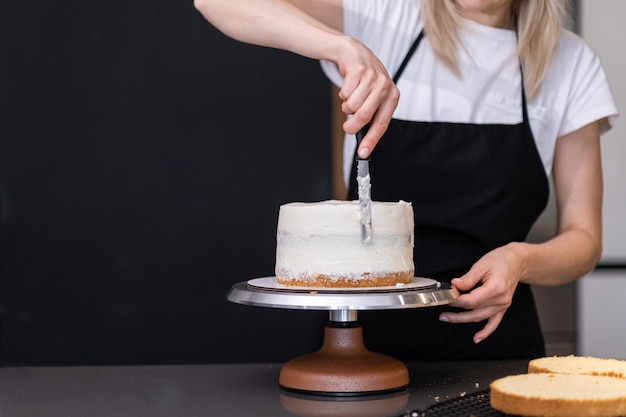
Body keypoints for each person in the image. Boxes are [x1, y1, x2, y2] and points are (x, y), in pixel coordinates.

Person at [194, 0, 618, 360]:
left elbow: (584, 239)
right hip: (360, 345)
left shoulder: (570, 63)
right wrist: (344, 46)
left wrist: (520, 260)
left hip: (493, 347)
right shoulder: (385, 16)